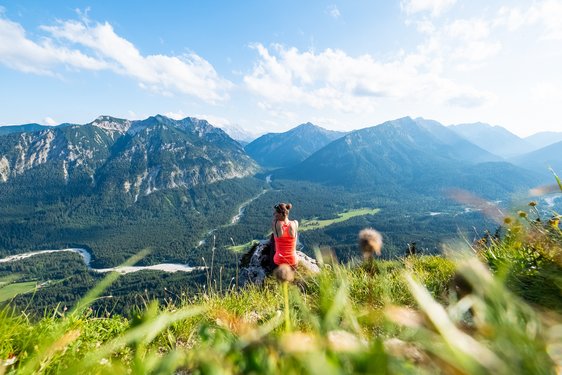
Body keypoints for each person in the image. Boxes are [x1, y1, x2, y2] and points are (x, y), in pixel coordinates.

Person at [272, 203, 298, 267]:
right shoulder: (295, 223)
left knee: (272, 239)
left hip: (279, 261)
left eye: (275, 213)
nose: (274, 214)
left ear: (281, 214)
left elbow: (274, 221)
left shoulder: (275, 224)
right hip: (293, 261)